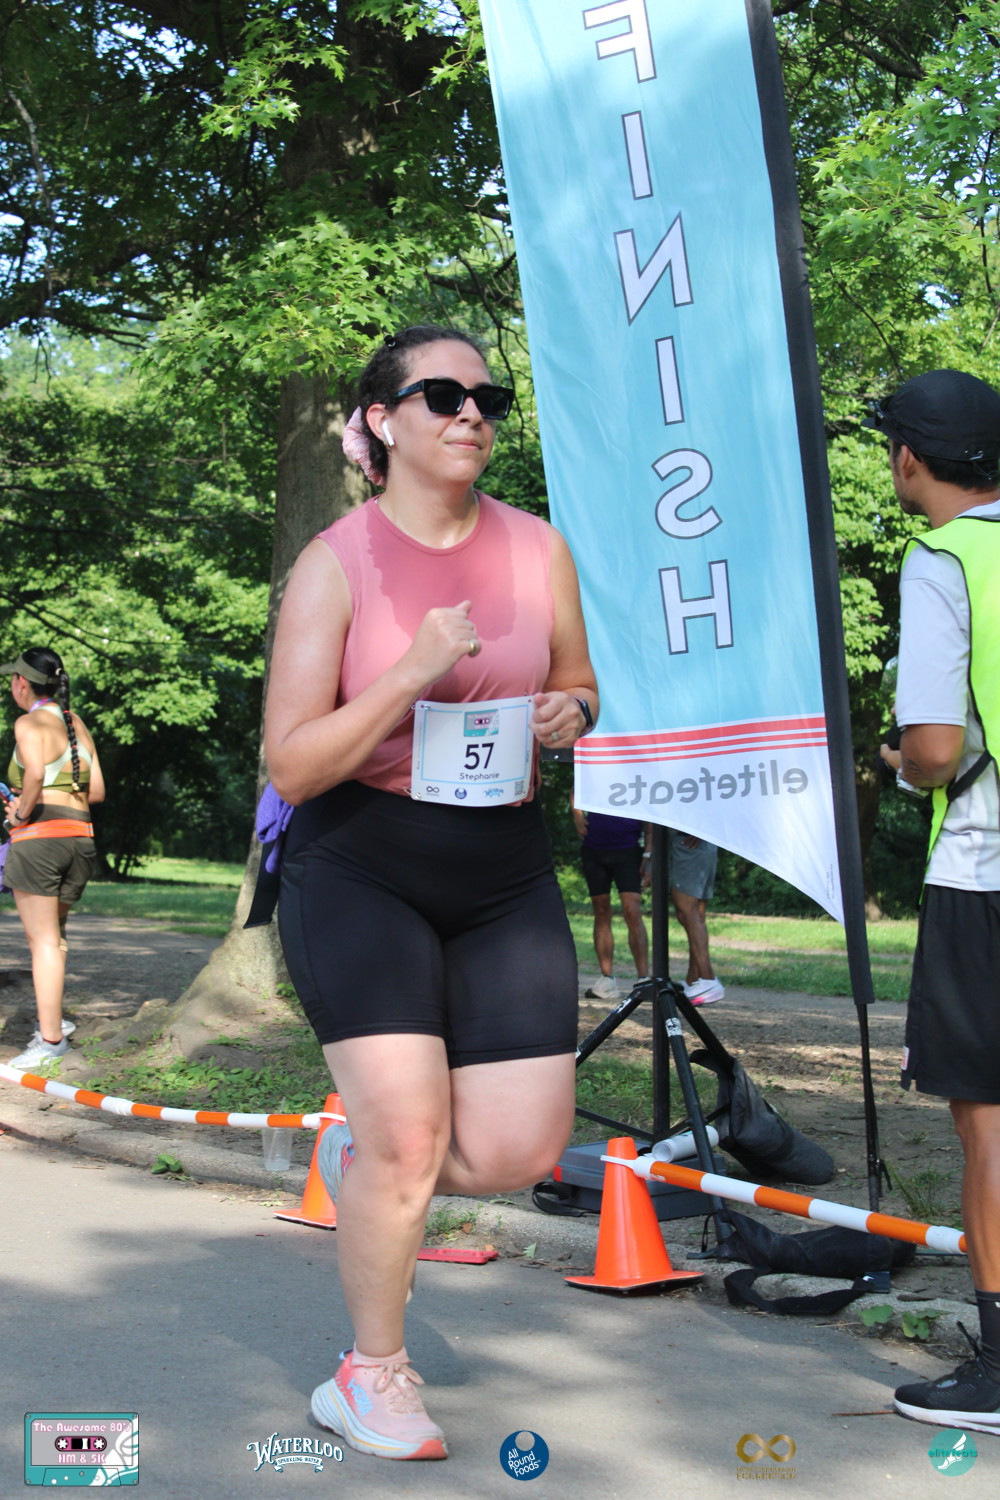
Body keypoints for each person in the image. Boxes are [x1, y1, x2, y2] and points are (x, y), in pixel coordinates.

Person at [265, 325, 598, 1461]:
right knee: (411, 1139)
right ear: (381, 421)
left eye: (486, 398)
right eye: (443, 395)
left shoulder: (537, 549)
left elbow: (578, 679)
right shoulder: (336, 563)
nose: (471, 415)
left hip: (501, 866)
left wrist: (570, 713)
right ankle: (370, 1374)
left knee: (516, 1149)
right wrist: (410, 671)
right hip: (361, 861)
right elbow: (292, 767)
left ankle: (368, 1168)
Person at [870, 368, 1000, 1435]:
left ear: (909, 457)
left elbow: (935, 749)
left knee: (989, 1122)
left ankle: (998, 1368)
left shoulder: (945, 558)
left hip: (985, 872)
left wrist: (900, 765)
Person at [1, 648, 104, 1070]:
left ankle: (50, 1042)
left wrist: (19, 813)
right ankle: (53, 1021)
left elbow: (34, 775)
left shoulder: (27, 723)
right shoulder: (73, 722)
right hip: (80, 841)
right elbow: (97, 791)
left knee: (42, 942)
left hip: (40, 843)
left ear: (21, 683)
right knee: (55, 937)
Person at [571, 801, 649, 1000]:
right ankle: (607, 980)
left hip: (629, 848)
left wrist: (649, 852)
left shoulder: (637, 777)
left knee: (632, 910)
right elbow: (576, 788)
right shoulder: (592, 776)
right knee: (601, 910)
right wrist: (577, 814)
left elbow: (651, 811)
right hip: (594, 848)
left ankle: (644, 979)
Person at [667, 830, 724, 1005]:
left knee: (688, 912)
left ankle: (707, 978)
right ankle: (694, 980)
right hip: (700, 844)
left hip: (688, 844)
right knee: (692, 915)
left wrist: (699, 827)